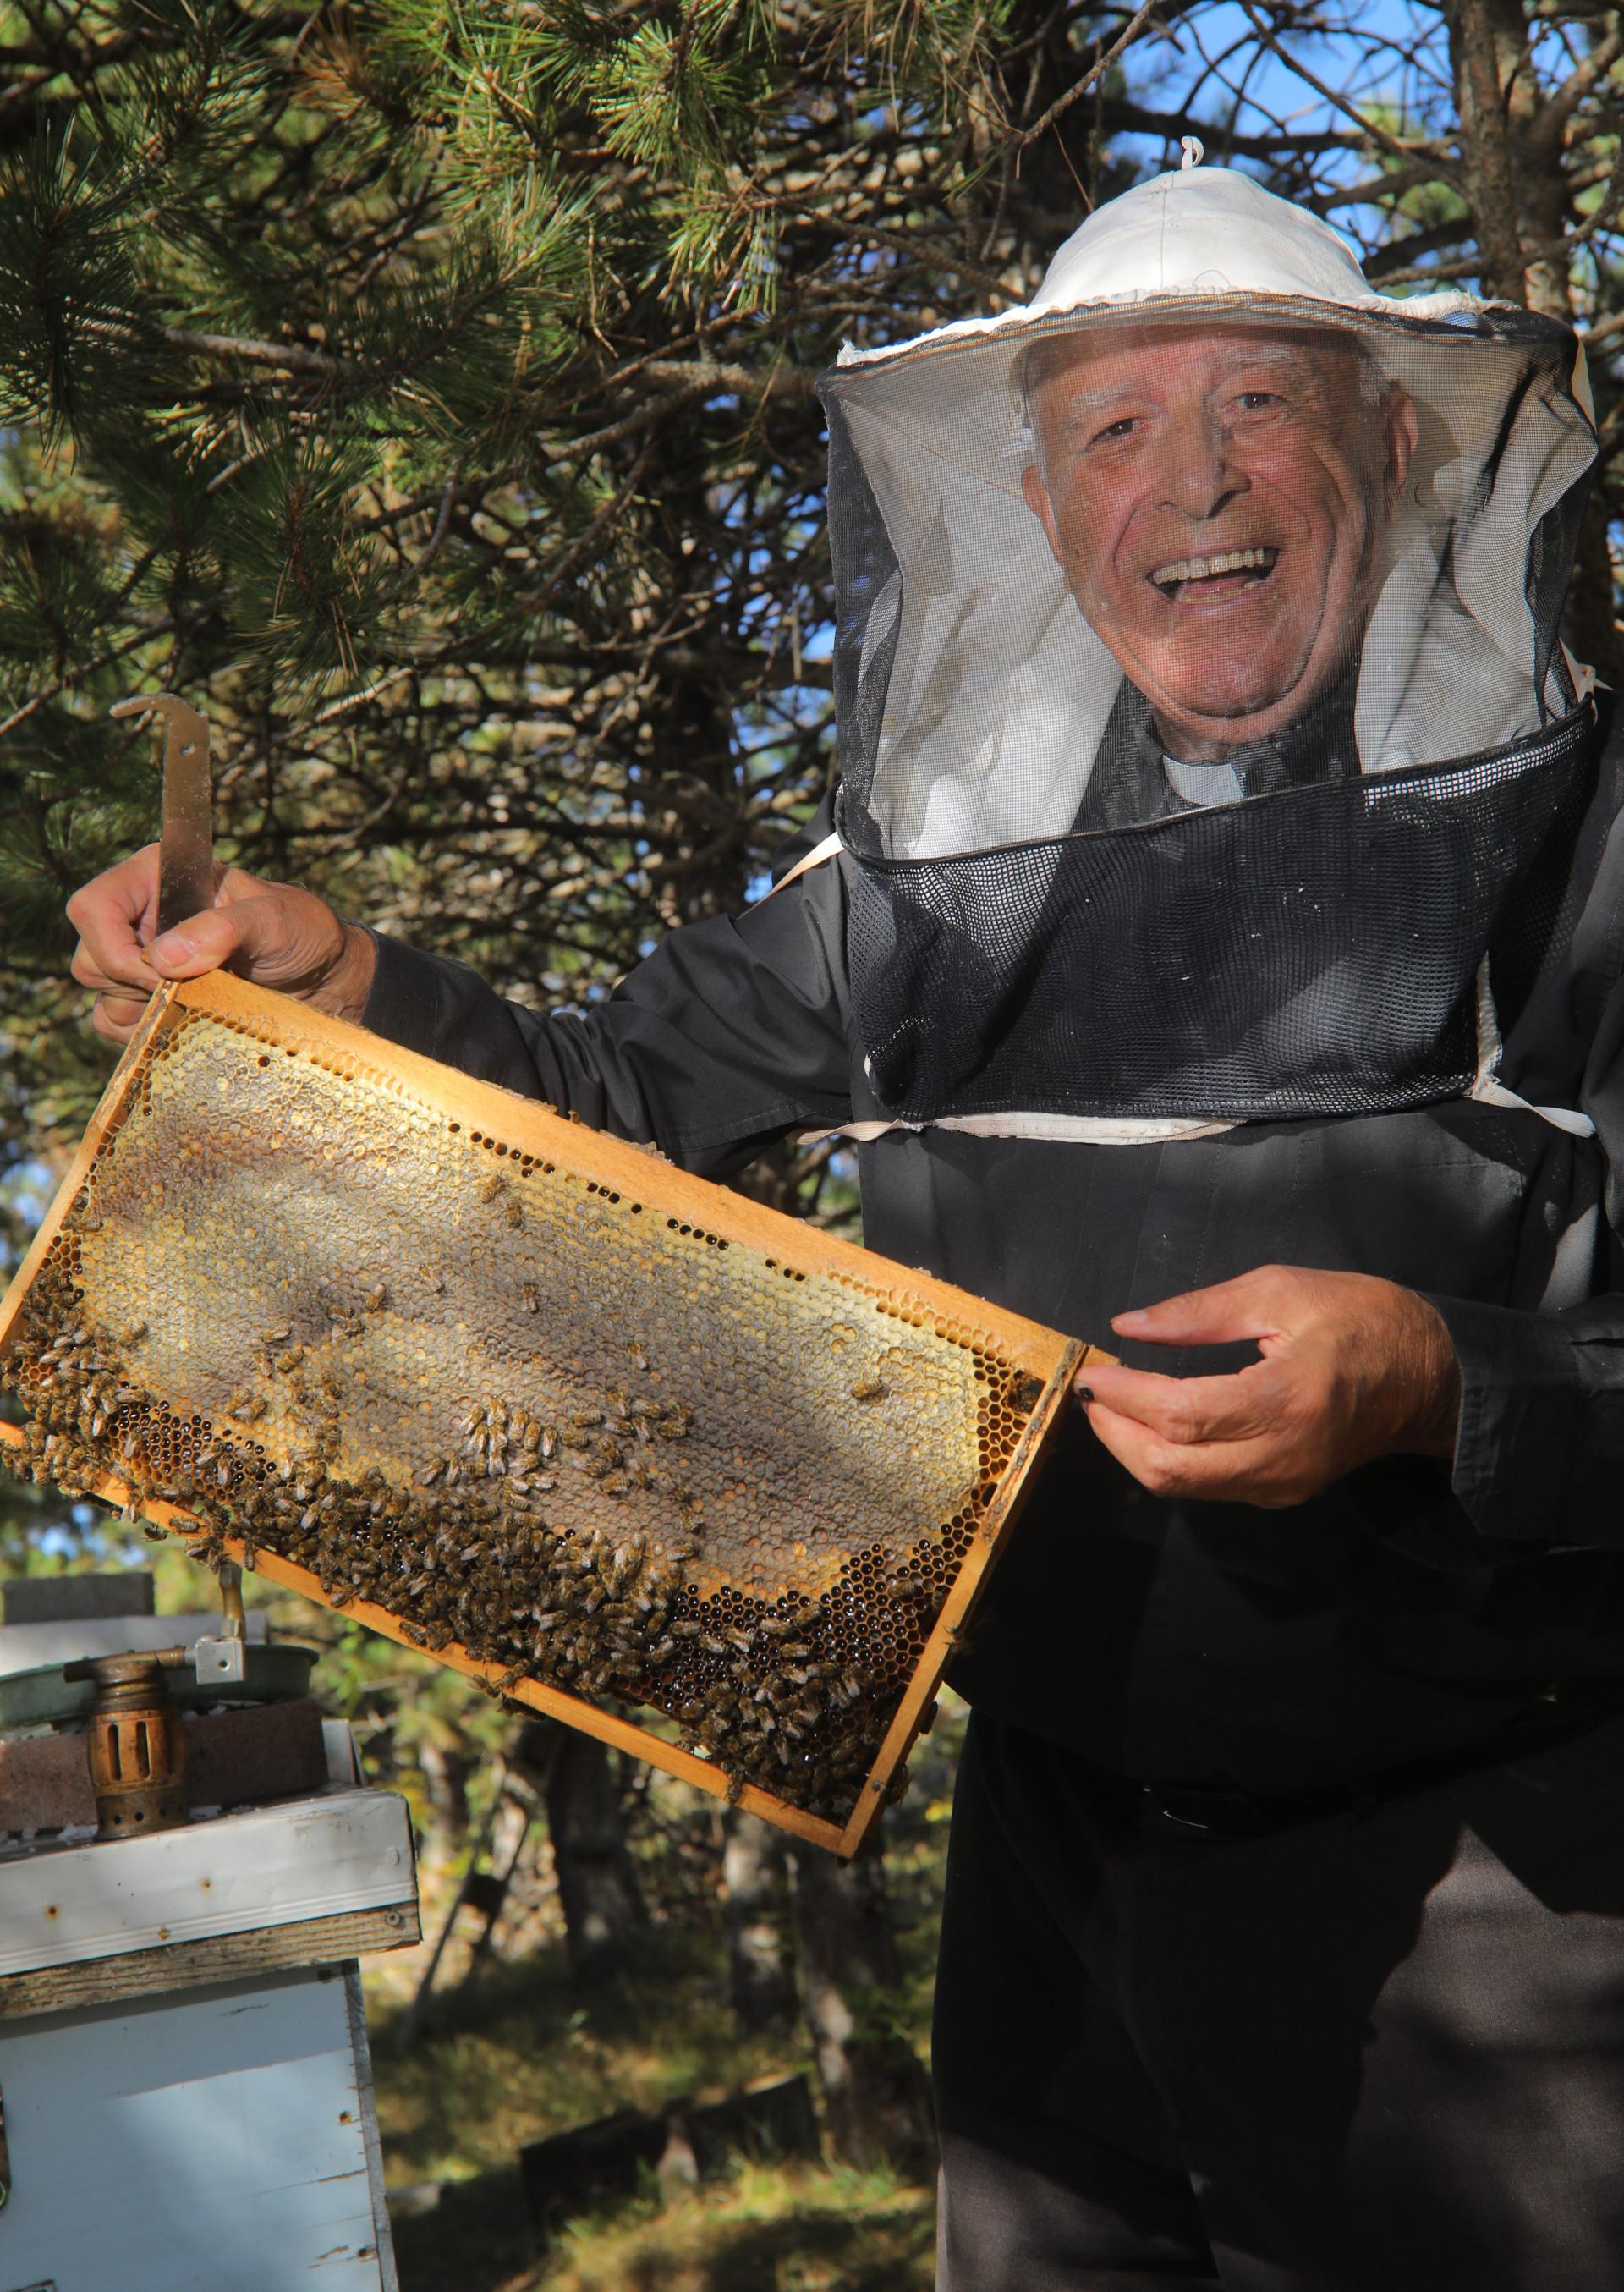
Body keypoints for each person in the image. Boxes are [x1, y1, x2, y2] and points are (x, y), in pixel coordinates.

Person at [65, 158, 1624, 2289]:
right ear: (1042, 508)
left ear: (1391, 434)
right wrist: (346, 984)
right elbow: (605, 1102)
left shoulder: (1592, 834)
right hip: (1061, 1886)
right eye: (1115, 428)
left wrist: (1451, 1378)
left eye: (1260, 404)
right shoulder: (928, 883)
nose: (1196, 485)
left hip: (1503, 1908)